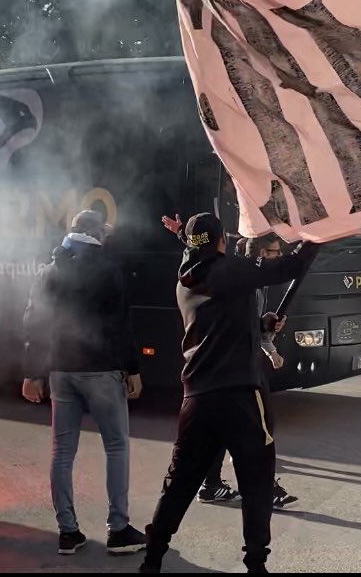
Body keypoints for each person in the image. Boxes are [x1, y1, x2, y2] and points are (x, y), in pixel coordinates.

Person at [141, 213, 318, 574]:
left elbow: (216, 322)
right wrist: (321, 236)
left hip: (198, 398)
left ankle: (152, 558)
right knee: (256, 481)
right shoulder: (230, 271)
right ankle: (256, 565)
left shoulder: (185, 281)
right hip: (239, 395)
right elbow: (291, 265)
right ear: (222, 240)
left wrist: (260, 325)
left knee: (180, 482)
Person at [22, 210, 147, 556]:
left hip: (61, 371)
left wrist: (32, 373)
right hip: (102, 371)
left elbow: (34, 322)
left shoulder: (49, 271)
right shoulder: (109, 270)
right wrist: (132, 368)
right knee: (116, 447)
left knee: (62, 452)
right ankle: (118, 529)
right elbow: (121, 324)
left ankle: (68, 532)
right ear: (98, 235)